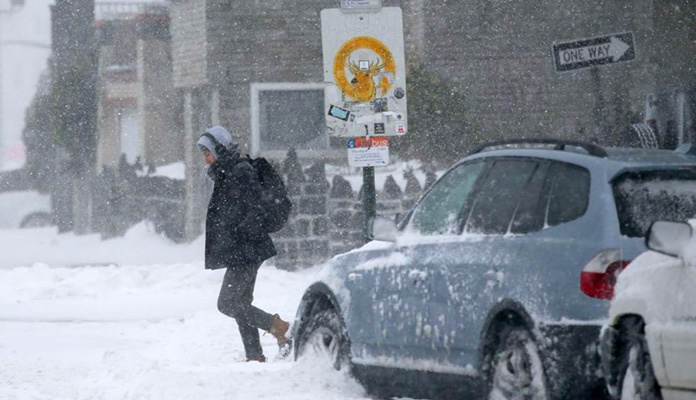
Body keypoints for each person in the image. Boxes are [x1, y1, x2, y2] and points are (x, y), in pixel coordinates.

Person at [197, 125, 291, 362]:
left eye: (208, 153)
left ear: (220, 149)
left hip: (247, 248)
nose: (206, 159)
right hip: (242, 248)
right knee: (240, 302)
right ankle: (254, 355)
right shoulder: (227, 171)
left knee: (227, 303)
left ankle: (276, 326)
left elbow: (253, 208)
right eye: (204, 154)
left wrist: (240, 233)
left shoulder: (240, 171)